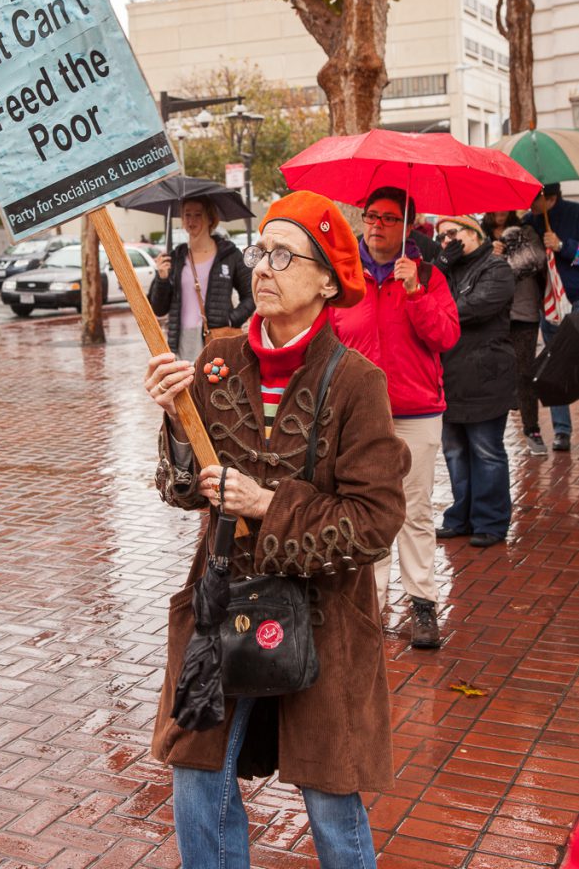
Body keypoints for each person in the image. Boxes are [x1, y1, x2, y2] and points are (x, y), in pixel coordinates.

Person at [145, 190, 410, 869]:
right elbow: (182, 491)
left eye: (284, 255)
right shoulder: (216, 361)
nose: (263, 267)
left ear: (327, 280)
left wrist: (268, 504)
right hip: (219, 604)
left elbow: (374, 523)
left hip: (323, 617)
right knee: (198, 776)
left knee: (328, 792)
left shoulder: (356, 383)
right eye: (261, 250)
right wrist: (177, 424)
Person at [331, 187, 460, 648]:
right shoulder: (346, 279)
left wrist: (416, 291)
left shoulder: (427, 276)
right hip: (360, 416)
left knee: (415, 512)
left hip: (417, 411)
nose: (377, 225)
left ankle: (422, 604)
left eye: (388, 218)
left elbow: (445, 337)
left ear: (407, 225)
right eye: (371, 216)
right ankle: (370, 603)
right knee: (363, 510)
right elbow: (327, 343)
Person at [435, 215, 516, 547]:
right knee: (454, 452)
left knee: (486, 451)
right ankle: (461, 516)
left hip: (485, 376)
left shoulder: (497, 269)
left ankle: (490, 521)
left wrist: (437, 307)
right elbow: (418, 301)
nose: (447, 242)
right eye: (442, 237)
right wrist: (439, 266)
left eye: (453, 234)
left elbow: (468, 309)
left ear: (474, 234)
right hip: (449, 376)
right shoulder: (446, 269)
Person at [148, 196, 255, 361]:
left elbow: (251, 294)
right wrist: (162, 279)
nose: (191, 220)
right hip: (181, 340)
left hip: (216, 338)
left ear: (210, 218)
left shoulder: (229, 255)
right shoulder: (175, 257)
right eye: (187, 215)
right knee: (187, 385)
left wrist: (230, 319)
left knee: (216, 385)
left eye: (198, 214)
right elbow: (158, 309)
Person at [482, 210, 547, 455]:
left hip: (523, 313)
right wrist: (489, 255)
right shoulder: (480, 236)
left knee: (524, 374)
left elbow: (536, 260)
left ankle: (532, 430)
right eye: (494, 207)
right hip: (490, 315)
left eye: (504, 207)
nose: (499, 212)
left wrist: (503, 256)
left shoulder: (526, 232)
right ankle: (490, 433)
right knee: (490, 374)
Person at [523, 182, 579, 452]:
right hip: (549, 305)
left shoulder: (575, 213)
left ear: (549, 196)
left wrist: (562, 246)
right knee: (554, 367)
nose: (529, 207)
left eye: (533, 200)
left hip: (576, 300)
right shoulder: (529, 221)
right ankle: (561, 430)